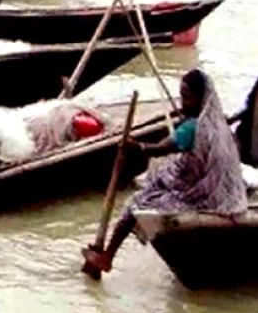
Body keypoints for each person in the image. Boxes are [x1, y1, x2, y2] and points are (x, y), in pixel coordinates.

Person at [82, 69, 247, 274]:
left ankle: (108, 256)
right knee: (160, 179)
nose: (182, 103)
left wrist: (138, 147)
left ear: (200, 99)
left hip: (195, 197)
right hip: (218, 197)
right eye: (181, 96)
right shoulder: (218, 125)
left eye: (187, 97)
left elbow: (162, 148)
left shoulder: (191, 128)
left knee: (135, 203)